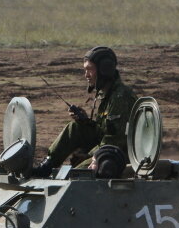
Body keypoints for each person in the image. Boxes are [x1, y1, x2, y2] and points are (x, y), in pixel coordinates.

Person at [34, 46, 137, 176]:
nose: (86, 75)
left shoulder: (120, 98)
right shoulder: (106, 94)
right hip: (104, 146)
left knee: (76, 173)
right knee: (75, 127)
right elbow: (104, 130)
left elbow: (114, 141)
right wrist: (85, 122)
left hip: (116, 155)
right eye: (85, 70)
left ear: (104, 70)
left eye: (89, 70)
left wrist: (88, 155)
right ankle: (47, 165)